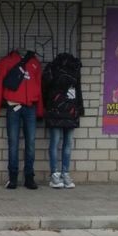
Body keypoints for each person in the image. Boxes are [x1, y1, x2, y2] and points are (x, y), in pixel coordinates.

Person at [0, 49, 44, 190]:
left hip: (30, 108)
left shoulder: (35, 63)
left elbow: (39, 88)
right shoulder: (6, 62)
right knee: (13, 143)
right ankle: (12, 178)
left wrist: (40, 111)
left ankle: (29, 177)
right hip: (13, 107)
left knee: (30, 143)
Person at [42, 52, 85, 189]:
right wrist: (80, 108)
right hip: (71, 110)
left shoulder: (52, 68)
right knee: (67, 144)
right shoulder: (75, 68)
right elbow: (78, 89)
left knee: (55, 143)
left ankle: (55, 175)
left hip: (55, 110)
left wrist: (46, 106)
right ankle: (65, 174)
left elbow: (44, 89)